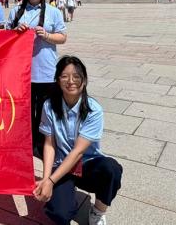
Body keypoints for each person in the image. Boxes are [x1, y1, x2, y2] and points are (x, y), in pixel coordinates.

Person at [33, 56, 122, 225]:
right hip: (61, 165)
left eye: (76, 76)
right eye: (64, 76)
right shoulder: (49, 106)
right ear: (57, 80)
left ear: (84, 80)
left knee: (111, 169)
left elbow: (78, 152)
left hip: (87, 165)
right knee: (59, 214)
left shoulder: (93, 110)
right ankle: (65, 192)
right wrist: (46, 178)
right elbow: (49, 144)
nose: (70, 81)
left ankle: (98, 211)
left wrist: (51, 181)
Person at [6, 0, 67, 156]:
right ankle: (25, 143)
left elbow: (62, 37)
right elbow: (5, 37)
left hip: (46, 70)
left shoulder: (53, 12)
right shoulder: (16, 11)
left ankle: (41, 145)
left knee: (44, 111)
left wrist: (46, 35)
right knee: (24, 110)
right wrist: (15, 32)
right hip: (22, 71)